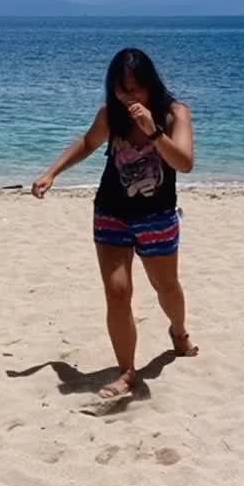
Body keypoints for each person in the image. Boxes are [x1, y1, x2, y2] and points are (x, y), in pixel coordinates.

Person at [31, 48, 198, 399]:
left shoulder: (174, 114)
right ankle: (126, 370)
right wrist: (52, 173)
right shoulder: (111, 115)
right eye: (122, 89)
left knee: (166, 287)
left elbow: (184, 163)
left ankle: (179, 333)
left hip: (158, 216)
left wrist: (153, 132)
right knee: (117, 291)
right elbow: (88, 143)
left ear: (151, 85)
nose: (129, 96)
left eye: (136, 89)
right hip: (111, 213)